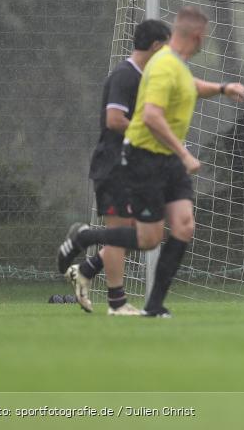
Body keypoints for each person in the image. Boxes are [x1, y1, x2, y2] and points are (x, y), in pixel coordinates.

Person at [57, 6, 244, 317]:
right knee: (149, 239)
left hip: (168, 159)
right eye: (206, 37)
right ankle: (86, 237)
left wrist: (223, 88)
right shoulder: (161, 65)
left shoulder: (176, 65)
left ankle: (155, 306)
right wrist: (185, 152)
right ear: (198, 36)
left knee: (184, 226)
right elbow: (151, 116)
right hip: (145, 158)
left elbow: (192, 86)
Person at [63, 19, 170, 315]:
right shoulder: (125, 75)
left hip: (131, 167)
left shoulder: (145, 77)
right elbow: (114, 119)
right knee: (122, 232)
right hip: (113, 166)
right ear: (157, 46)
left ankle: (86, 268)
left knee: (146, 234)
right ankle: (117, 303)